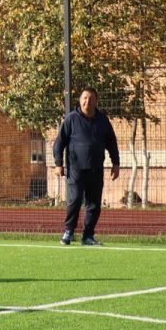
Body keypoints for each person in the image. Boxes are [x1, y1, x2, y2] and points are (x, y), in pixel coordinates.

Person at [53, 87, 122, 247]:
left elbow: (112, 143)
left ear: (96, 101)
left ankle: (88, 236)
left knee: (94, 204)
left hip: (96, 169)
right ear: (80, 100)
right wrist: (58, 164)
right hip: (76, 169)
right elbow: (59, 144)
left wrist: (116, 163)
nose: (87, 101)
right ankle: (69, 232)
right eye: (84, 98)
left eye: (91, 98)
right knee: (75, 200)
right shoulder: (71, 119)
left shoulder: (103, 120)